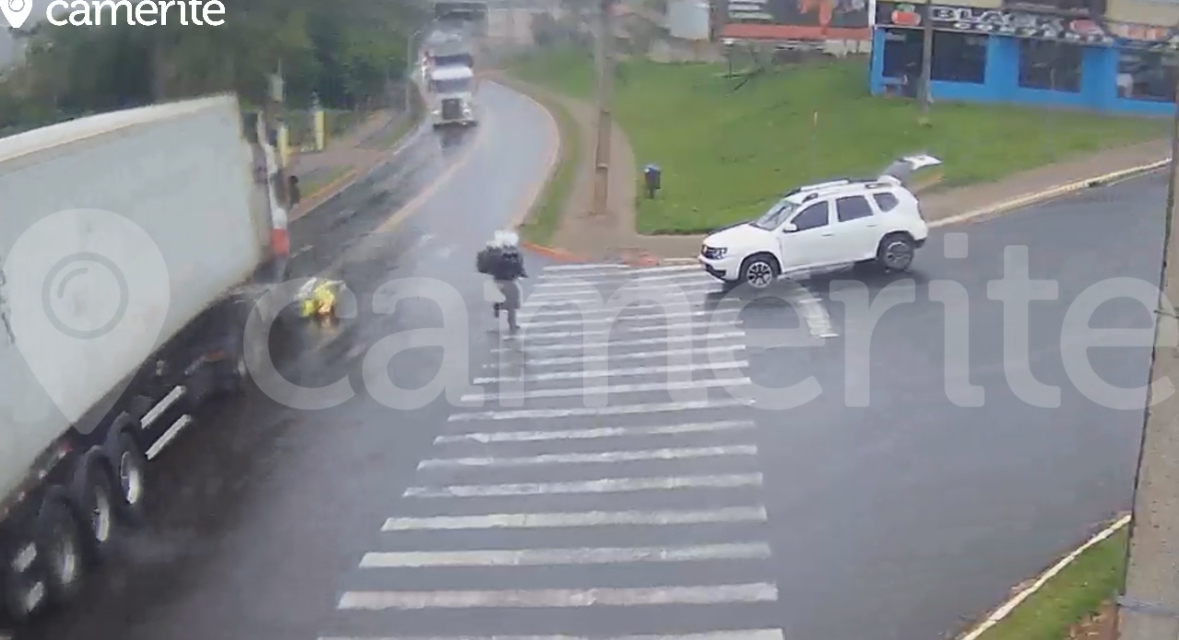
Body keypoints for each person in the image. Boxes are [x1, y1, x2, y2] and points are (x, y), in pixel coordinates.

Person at [478, 230, 527, 332]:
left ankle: (499, 307)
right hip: (509, 281)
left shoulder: (496, 255)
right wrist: (522, 274)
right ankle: (511, 323)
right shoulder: (513, 255)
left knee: (510, 303)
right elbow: (518, 267)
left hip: (497, 280)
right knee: (513, 304)